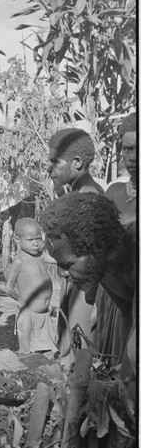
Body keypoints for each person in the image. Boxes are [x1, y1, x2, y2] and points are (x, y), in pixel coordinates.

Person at [40, 192, 136, 387]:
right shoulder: (102, 262)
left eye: (67, 264)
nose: (61, 273)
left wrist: (124, 384)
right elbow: (128, 314)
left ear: (97, 248)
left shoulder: (136, 248)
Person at [47, 127, 104, 364]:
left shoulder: (89, 197)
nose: (49, 168)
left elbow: (93, 260)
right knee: (69, 357)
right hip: (75, 285)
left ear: (77, 162)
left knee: (78, 361)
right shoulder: (75, 194)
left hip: (85, 290)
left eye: (55, 162)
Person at [95, 112, 137, 364]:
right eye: (127, 149)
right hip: (117, 298)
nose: (132, 157)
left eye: (138, 149)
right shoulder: (114, 192)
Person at [4, 218, 58, 356]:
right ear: (17, 239)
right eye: (30, 240)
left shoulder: (41, 256)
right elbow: (9, 288)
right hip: (27, 314)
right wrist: (24, 302)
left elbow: (57, 260)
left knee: (47, 351)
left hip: (45, 314)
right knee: (26, 352)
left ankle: (45, 375)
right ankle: (28, 374)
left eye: (38, 239)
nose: (35, 243)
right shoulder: (19, 261)